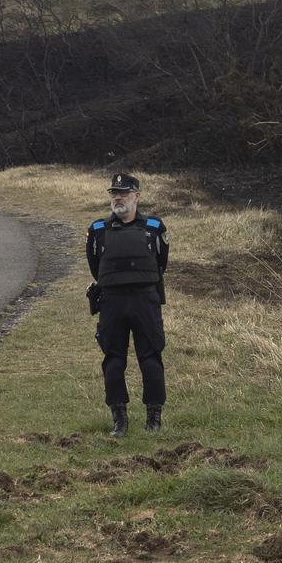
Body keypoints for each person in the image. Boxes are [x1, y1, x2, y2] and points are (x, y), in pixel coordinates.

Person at [87, 173, 170, 436]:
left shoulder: (154, 227)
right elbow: (95, 267)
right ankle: (119, 420)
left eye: (123, 192)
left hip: (145, 299)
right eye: (114, 193)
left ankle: (153, 418)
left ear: (137, 196)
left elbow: (161, 263)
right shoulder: (98, 230)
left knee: (151, 358)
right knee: (113, 359)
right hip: (112, 301)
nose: (118, 197)